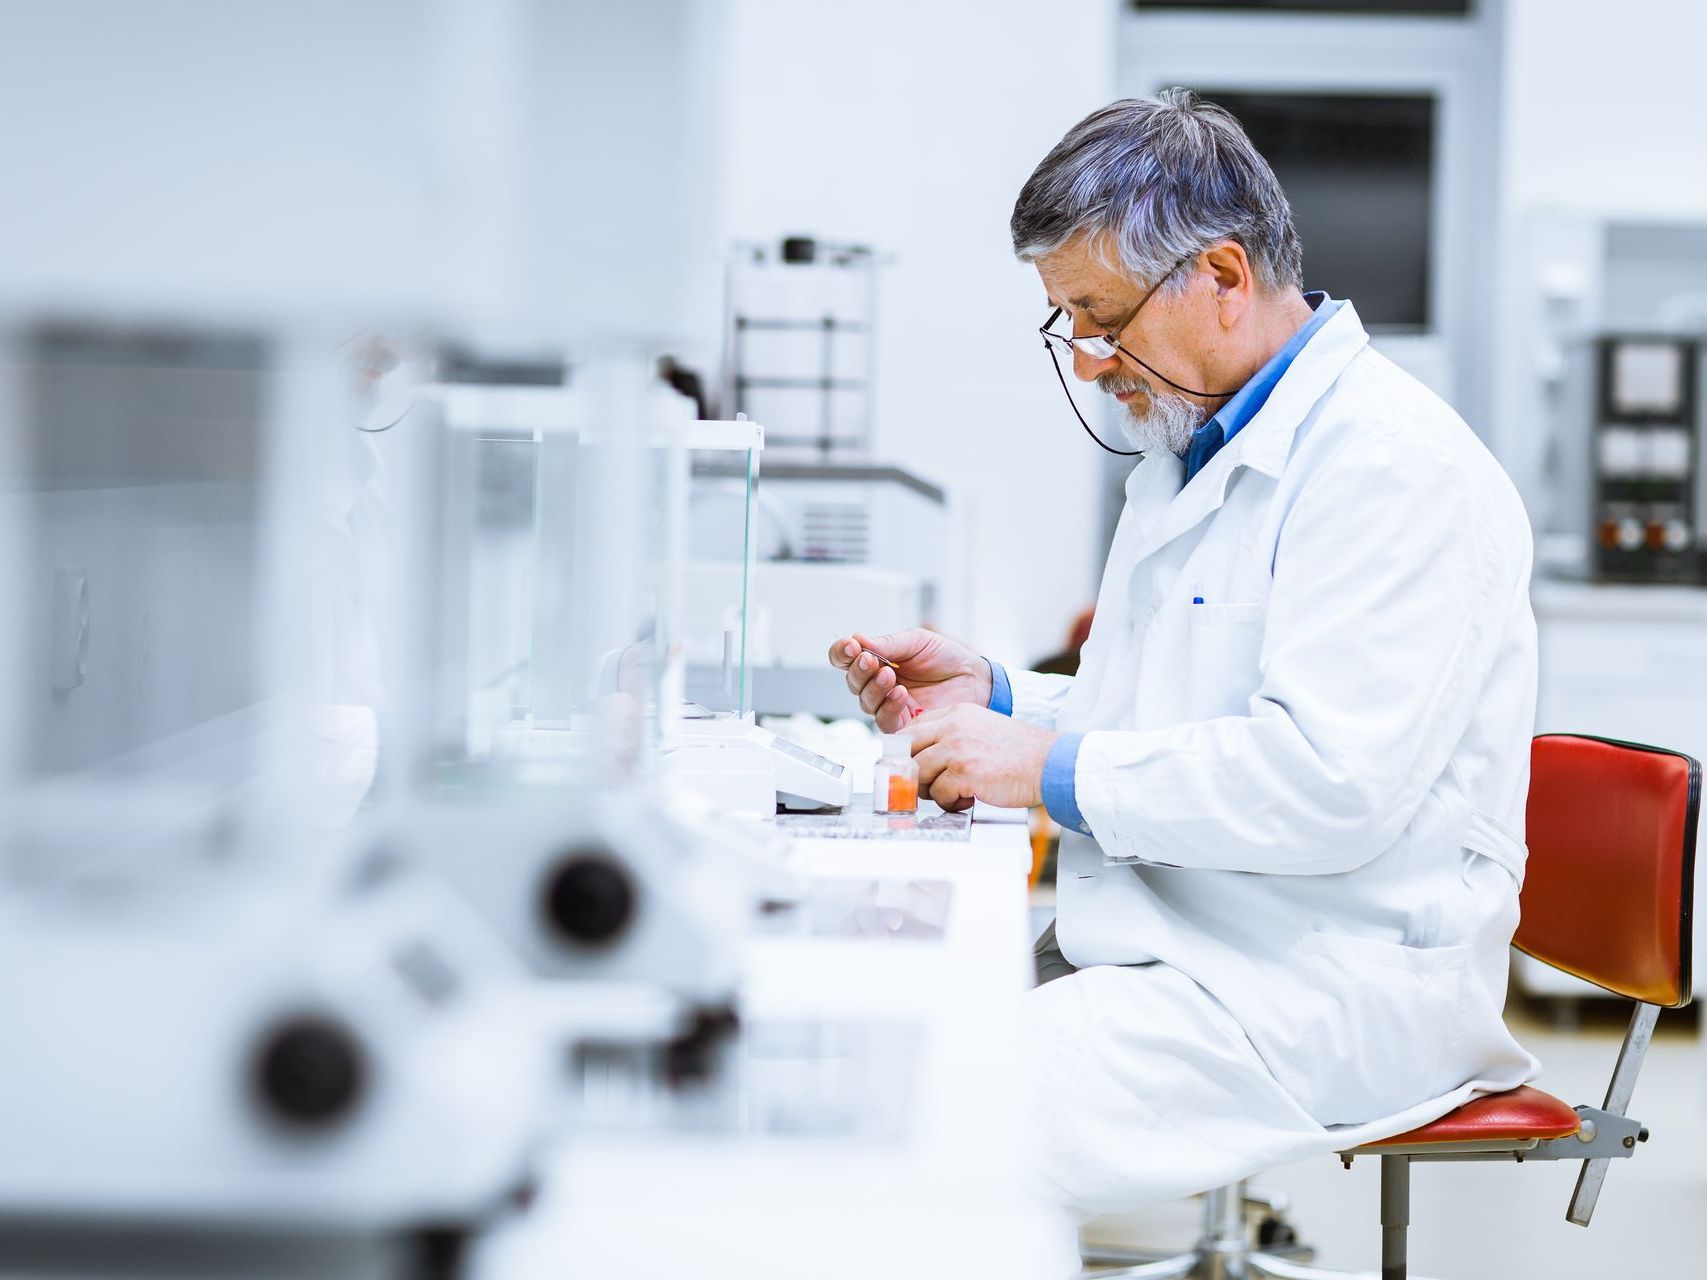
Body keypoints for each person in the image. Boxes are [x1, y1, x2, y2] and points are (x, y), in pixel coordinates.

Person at [828, 90, 1539, 1214]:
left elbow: (1325, 783)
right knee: (859, 1047)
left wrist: (1039, 765)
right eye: (1069, 324)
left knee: (924, 1134)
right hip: (1177, 942)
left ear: (1219, 276)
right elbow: (1170, 712)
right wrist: (1001, 694)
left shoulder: (1396, 470)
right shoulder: (1190, 456)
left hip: (1312, 985)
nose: (1091, 360)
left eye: (1103, 318)